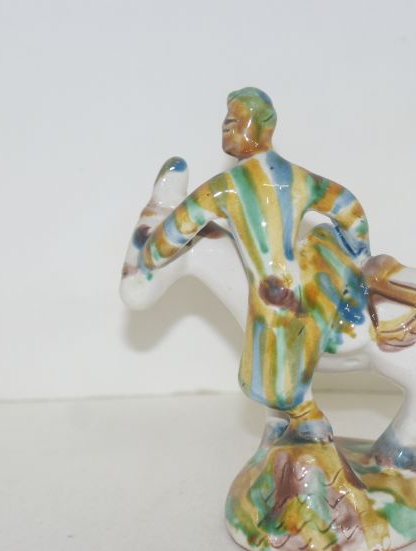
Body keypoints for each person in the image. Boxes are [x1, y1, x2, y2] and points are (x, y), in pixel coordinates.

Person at [138, 87, 370, 429]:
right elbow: (350, 209)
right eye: (226, 119)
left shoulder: (226, 187)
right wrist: (357, 254)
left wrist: (148, 251)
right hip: (307, 282)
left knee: (272, 378)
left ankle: (308, 427)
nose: (226, 124)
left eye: (236, 118)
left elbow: (167, 241)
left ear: (265, 126)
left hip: (274, 297)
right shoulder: (297, 177)